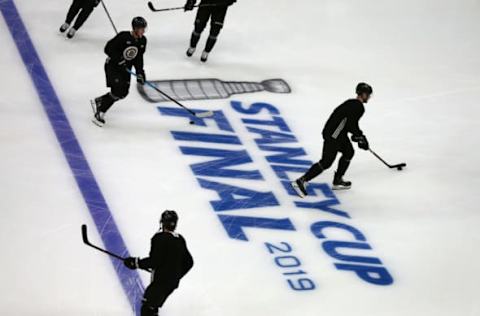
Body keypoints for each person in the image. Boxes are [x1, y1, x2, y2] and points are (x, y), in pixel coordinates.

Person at [291, 83, 373, 196]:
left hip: (337, 133)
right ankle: (301, 181)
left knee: (349, 152)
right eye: (368, 95)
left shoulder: (351, 103)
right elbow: (351, 124)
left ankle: (338, 180)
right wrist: (360, 136)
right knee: (326, 162)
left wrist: (357, 136)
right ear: (363, 94)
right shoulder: (358, 107)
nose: (368, 97)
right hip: (334, 135)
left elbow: (347, 123)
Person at [124, 210, 194, 316]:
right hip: (172, 284)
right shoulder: (179, 239)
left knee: (148, 308)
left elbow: (154, 261)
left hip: (160, 283)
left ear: (162, 222)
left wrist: (136, 262)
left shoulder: (159, 238)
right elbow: (189, 262)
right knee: (152, 306)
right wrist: (174, 275)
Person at [91, 17, 147, 127]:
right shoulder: (123, 36)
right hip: (113, 67)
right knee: (117, 89)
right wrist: (119, 59)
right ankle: (100, 112)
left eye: (144, 29)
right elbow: (107, 48)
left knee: (123, 93)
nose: (143, 31)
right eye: (141, 29)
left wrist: (140, 72)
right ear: (135, 28)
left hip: (126, 69)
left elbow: (138, 58)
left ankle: (101, 100)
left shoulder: (143, 41)